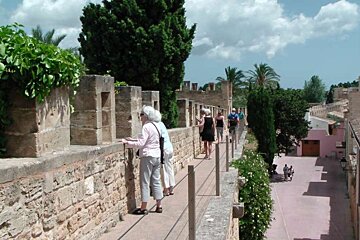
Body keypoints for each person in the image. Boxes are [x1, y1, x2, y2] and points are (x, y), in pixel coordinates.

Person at [121, 106, 163, 215]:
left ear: (146, 116)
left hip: (148, 156)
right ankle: (159, 205)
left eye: (141, 115)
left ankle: (143, 207)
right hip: (157, 155)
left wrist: (128, 143)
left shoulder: (146, 127)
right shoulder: (157, 126)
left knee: (145, 181)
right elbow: (149, 140)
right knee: (156, 180)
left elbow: (141, 143)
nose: (140, 117)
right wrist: (133, 139)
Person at [154, 110, 175, 196]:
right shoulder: (162, 124)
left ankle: (166, 188)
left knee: (163, 169)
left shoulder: (156, 125)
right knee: (169, 167)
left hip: (163, 149)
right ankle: (172, 187)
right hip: (169, 147)